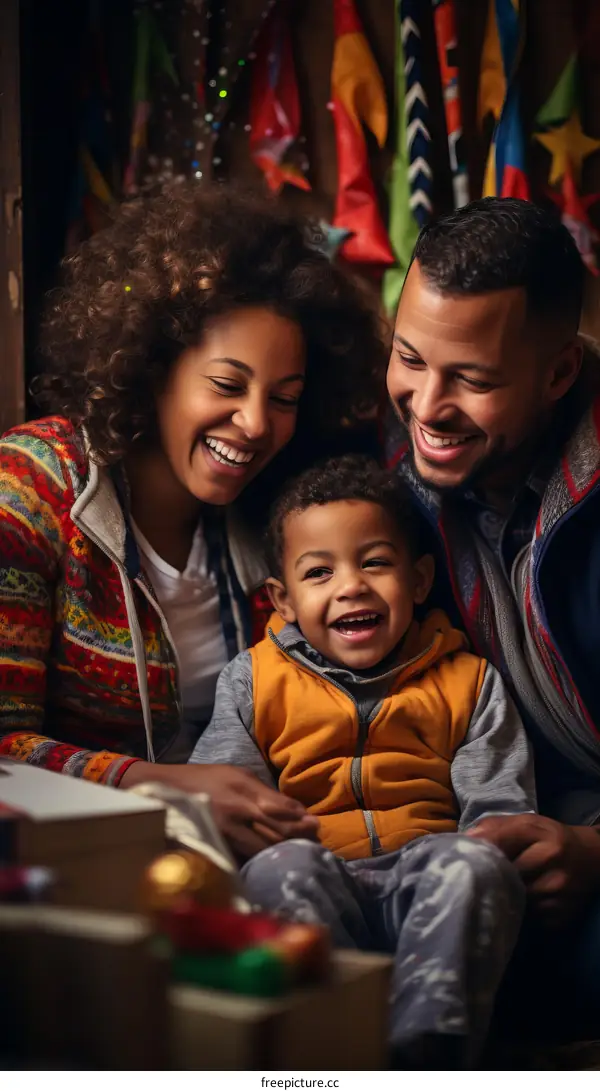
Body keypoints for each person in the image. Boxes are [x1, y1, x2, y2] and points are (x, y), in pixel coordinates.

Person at [0, 183, 385, 861]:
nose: (258, 423)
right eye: (228, 385)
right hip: (78, 874)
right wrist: (163, 785)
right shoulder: (30, 488)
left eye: (285, 397)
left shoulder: (278, 519)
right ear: (153, 367)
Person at [190, 455, 536, 1066]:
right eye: (318, 572)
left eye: (375, 562)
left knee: (477, 865)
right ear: (284, 599)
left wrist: (486, 848)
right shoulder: (252, 680)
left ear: (420, 580)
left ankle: (424, 1056)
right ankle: (331, 1054)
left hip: (426, 882)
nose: (351, 585)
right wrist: (266, 835)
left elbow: (500, 810)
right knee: (275, 867)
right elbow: (229, 798)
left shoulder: (469, 679)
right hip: (317, 871)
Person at [385, 196, 600, 1033]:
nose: (427, 406)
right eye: (409, 358)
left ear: (557, 375)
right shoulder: (391, 448)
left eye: (471, 379)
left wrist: (590, 853)